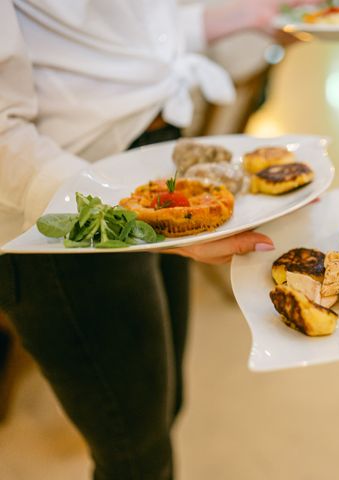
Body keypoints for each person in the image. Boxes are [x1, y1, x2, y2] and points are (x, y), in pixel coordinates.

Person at [0, 1, 320, 479]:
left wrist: (257, 18)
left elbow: (148, 33)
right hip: (63, 205)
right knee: (135, 450)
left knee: (165, 407)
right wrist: (132, 220)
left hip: (152, 159)